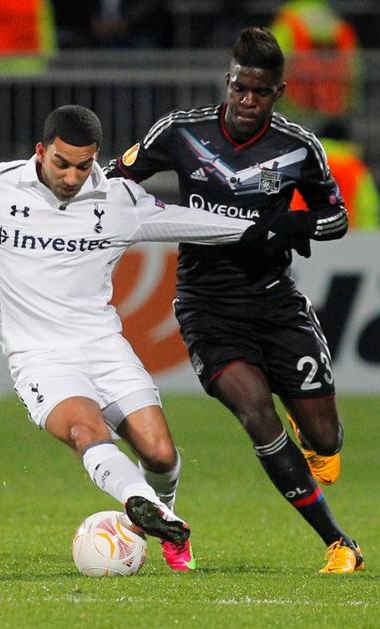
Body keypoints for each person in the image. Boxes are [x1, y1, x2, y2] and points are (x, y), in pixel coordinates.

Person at [0, 105, 275, 572]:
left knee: (161, 455)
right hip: (38, 356)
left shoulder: (118, 199)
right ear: (41, 151)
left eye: (84, 165)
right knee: (85, 431)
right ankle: (138, 500)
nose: (73, 177)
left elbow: (190, 222)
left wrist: (264, 231)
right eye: (62, 163)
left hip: (104, 347)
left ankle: (163, 517)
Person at [105, 27, 364, 574]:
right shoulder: (181, 132)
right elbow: (114, 180)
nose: (247, 101)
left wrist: (296, 225)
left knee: (327, 439)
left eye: (260, 92)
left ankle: (313, 436)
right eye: (239, 88)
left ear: (278, 92)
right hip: (207, 306)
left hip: (275, 303)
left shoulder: (298, 147)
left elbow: (336, 217)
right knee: (256, 415)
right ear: (227, 82)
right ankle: (340, 543)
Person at [269, 0, 361, 129]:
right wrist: (351, 103)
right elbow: (354, 67)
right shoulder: (336, 21)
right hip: (335, 109)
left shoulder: (288, 22)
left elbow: (270, 62)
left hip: (296, 107)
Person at [291, 119, 380, 229]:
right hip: (348, 234)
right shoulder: (355, 167)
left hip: (307, 231)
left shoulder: (304, 162)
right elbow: (368, 207)